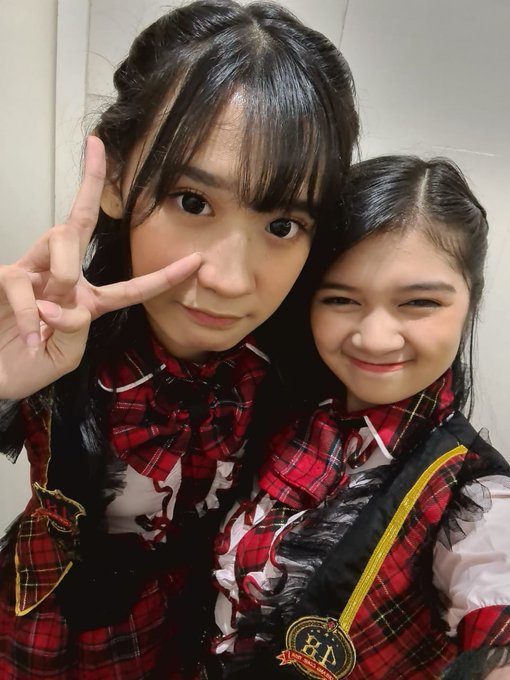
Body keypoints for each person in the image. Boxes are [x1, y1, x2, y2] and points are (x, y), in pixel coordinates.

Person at [0, 1, 359, 678]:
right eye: (193, 202)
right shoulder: (56, 336)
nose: (229, 280)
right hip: (44, 625)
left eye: (282, 225)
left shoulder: (297, 364)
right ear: (116, 180)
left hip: (197, 637)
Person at [213, 156, 510, 679]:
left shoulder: (473, 497)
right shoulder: (276, 409)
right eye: (340, 299)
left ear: (471, 304)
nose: (374, 338)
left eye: (419, 303)